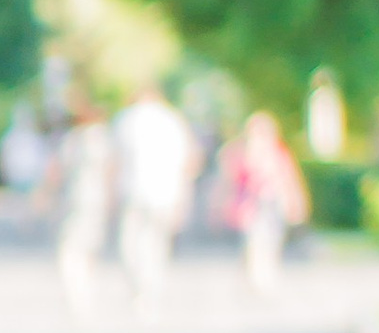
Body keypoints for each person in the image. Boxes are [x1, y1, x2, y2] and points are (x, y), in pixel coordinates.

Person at [112, 84, 200, 301]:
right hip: (166, 192)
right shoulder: (173, 120)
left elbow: (114, 161)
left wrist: (110, 193)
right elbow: (191, 161)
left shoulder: (126, 119)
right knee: (157, 242)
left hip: (132, 190)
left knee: (131, 243)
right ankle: (152, 284)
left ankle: (138, 285)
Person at [217, 108, 309, 293]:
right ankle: (255, 276)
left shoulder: (278, 152)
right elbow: (231, 181)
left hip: (272, 202)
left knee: (272, 238)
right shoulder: (241, 153)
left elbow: (288, 178)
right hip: (250, 204)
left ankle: (266, 273)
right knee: (253, 239)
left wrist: (295, 203)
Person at [55, 103, 116, 312]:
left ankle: (74, 290)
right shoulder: (103, 140)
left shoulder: (73, 140)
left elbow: (58, 170)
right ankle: (87, 288)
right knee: (90, 246)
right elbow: (110, 170)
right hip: (97, 199)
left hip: (74, 197)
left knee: (70, 247)